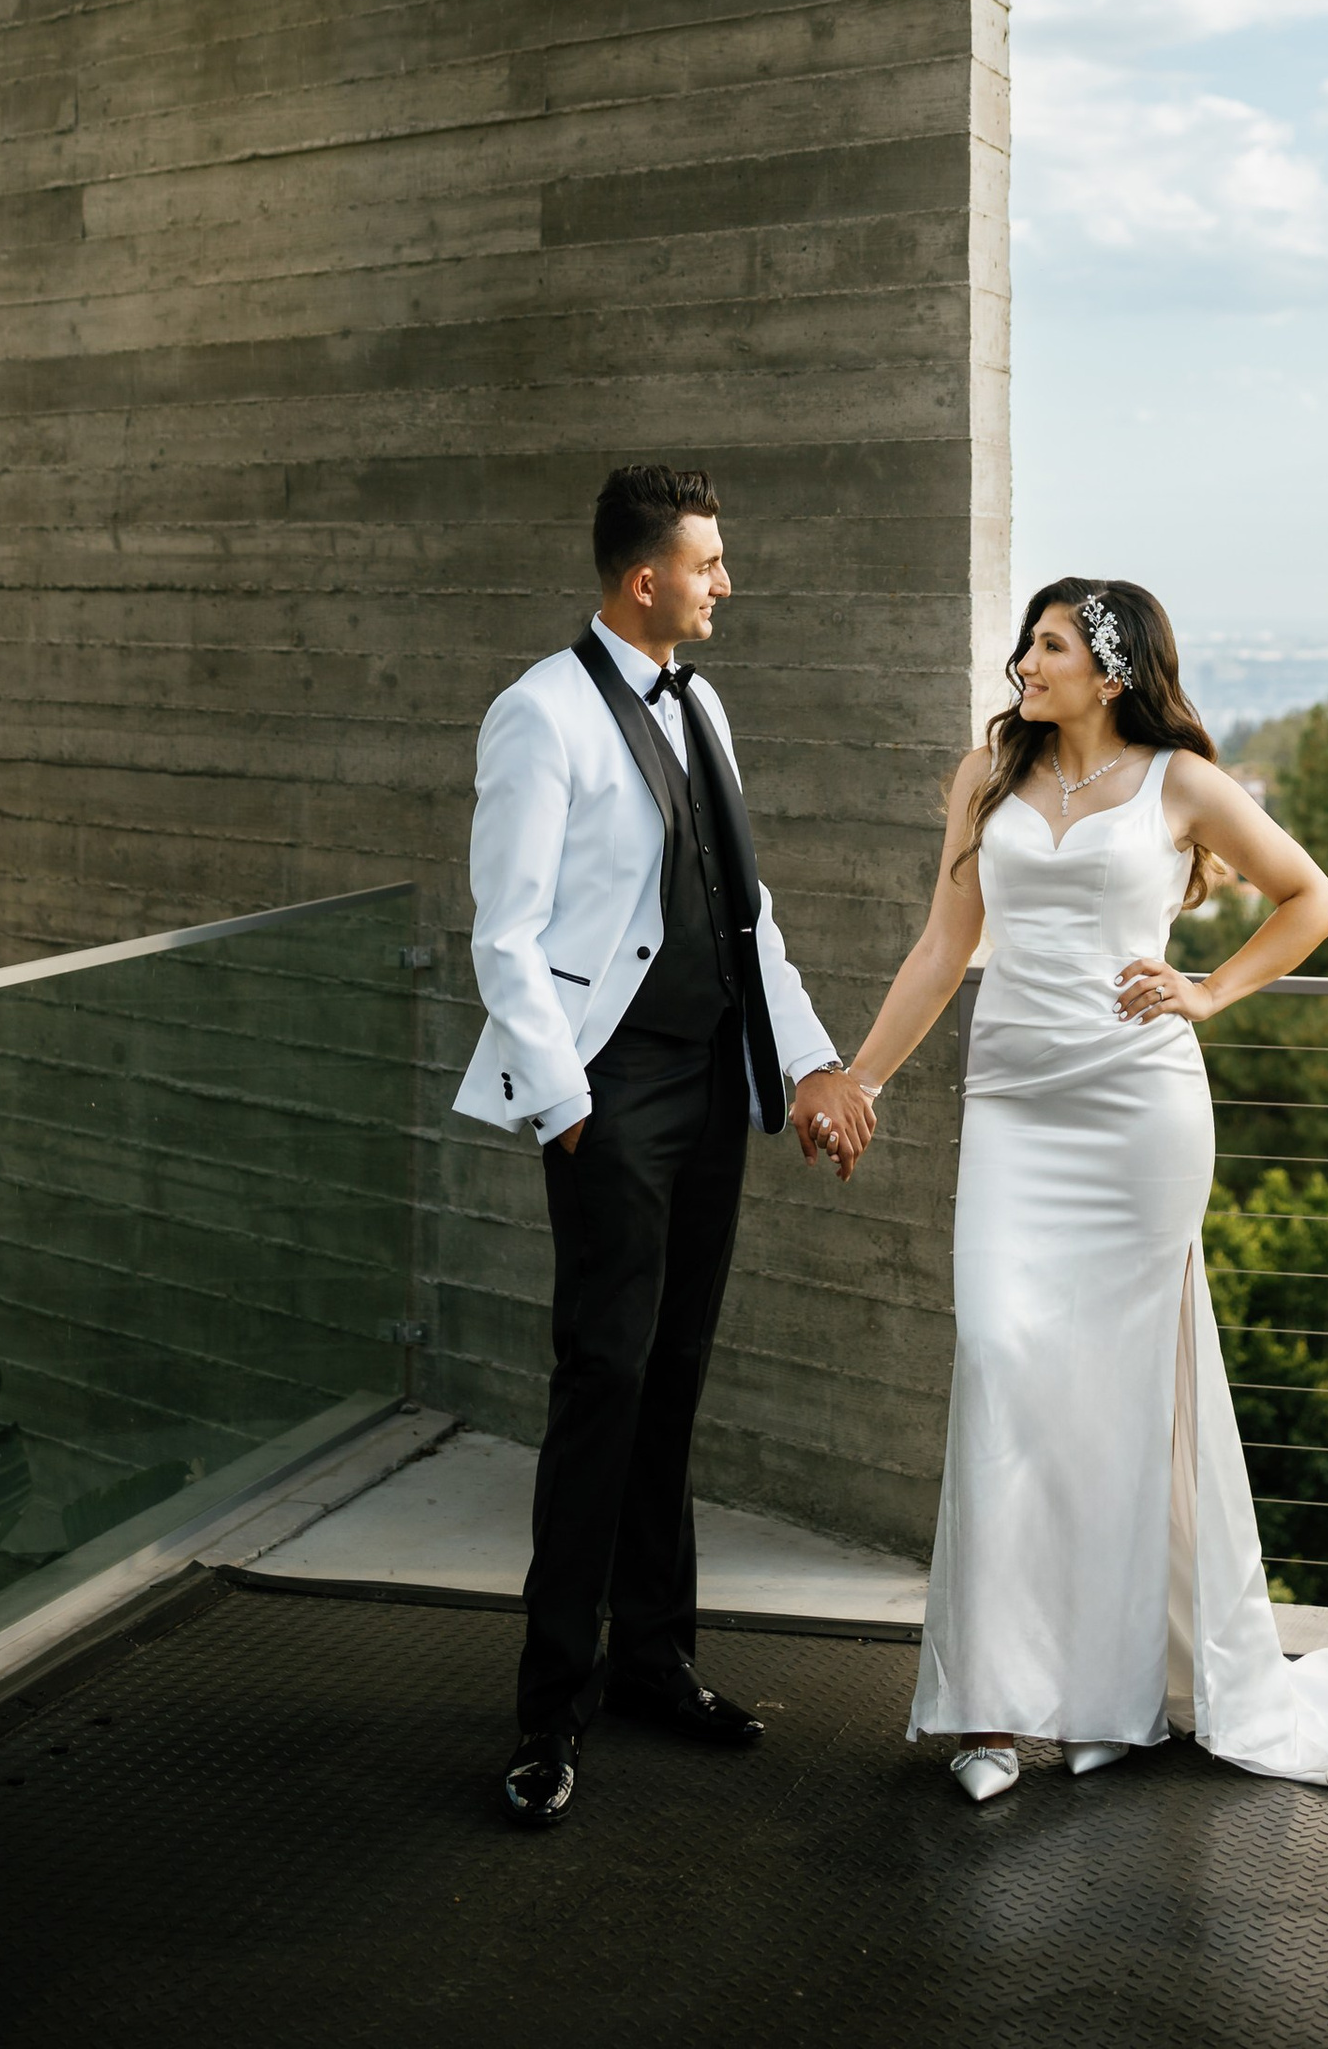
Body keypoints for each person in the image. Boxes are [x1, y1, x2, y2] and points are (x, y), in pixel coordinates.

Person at [839, 575, 1328, 1805]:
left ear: (1110, 669)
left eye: (1044, 645)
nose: (1022, 662)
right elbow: (942, 946)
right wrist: (861, 1077)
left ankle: (1107, 1700)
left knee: (1118, 1407)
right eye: (1027, 643)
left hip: (1140, 1114)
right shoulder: (984, 782)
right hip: (1017, 1111)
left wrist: (1208, 991)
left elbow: (1314, 899)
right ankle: (987, 1710)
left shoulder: (1179, 782)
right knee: (999, 1365)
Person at [457, 463, 875, 1828]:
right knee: (603, 1387)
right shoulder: (539, 715)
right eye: (709, 561)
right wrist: (565, 1103)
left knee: (675, 1379)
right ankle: (548, 1711)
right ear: (648, 578)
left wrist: (807, 1057)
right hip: (610, 1096)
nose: (724, 581)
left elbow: (746, 917)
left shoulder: (704, 705)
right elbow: (504, 933)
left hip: (708, 1094)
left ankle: (655, 1662)